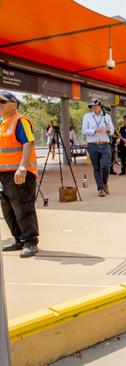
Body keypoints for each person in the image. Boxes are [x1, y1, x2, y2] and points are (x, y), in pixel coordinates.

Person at [0, 91, 40, 258]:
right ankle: (18, 239)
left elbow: (28, 143)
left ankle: (30, 242)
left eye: (2, 101)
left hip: (19, 173)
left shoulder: (20, 121)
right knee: (7, 208)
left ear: (14, 103)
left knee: (23, 207)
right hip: (4, 174)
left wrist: (22, 168)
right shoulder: (3, 124)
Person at [81, 98, 115, 197]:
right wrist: (95, 130)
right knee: (96, 167)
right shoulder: (87, 116)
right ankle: (100, 188)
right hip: (92, 144)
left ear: (100, 106)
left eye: (96, 106)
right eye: (92, 106)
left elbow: (112, 131)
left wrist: (109, 130)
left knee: (105, 165)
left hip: (105, 144)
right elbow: (83, 130)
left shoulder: (106, 117)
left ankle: (104, 183)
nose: (94, 108)